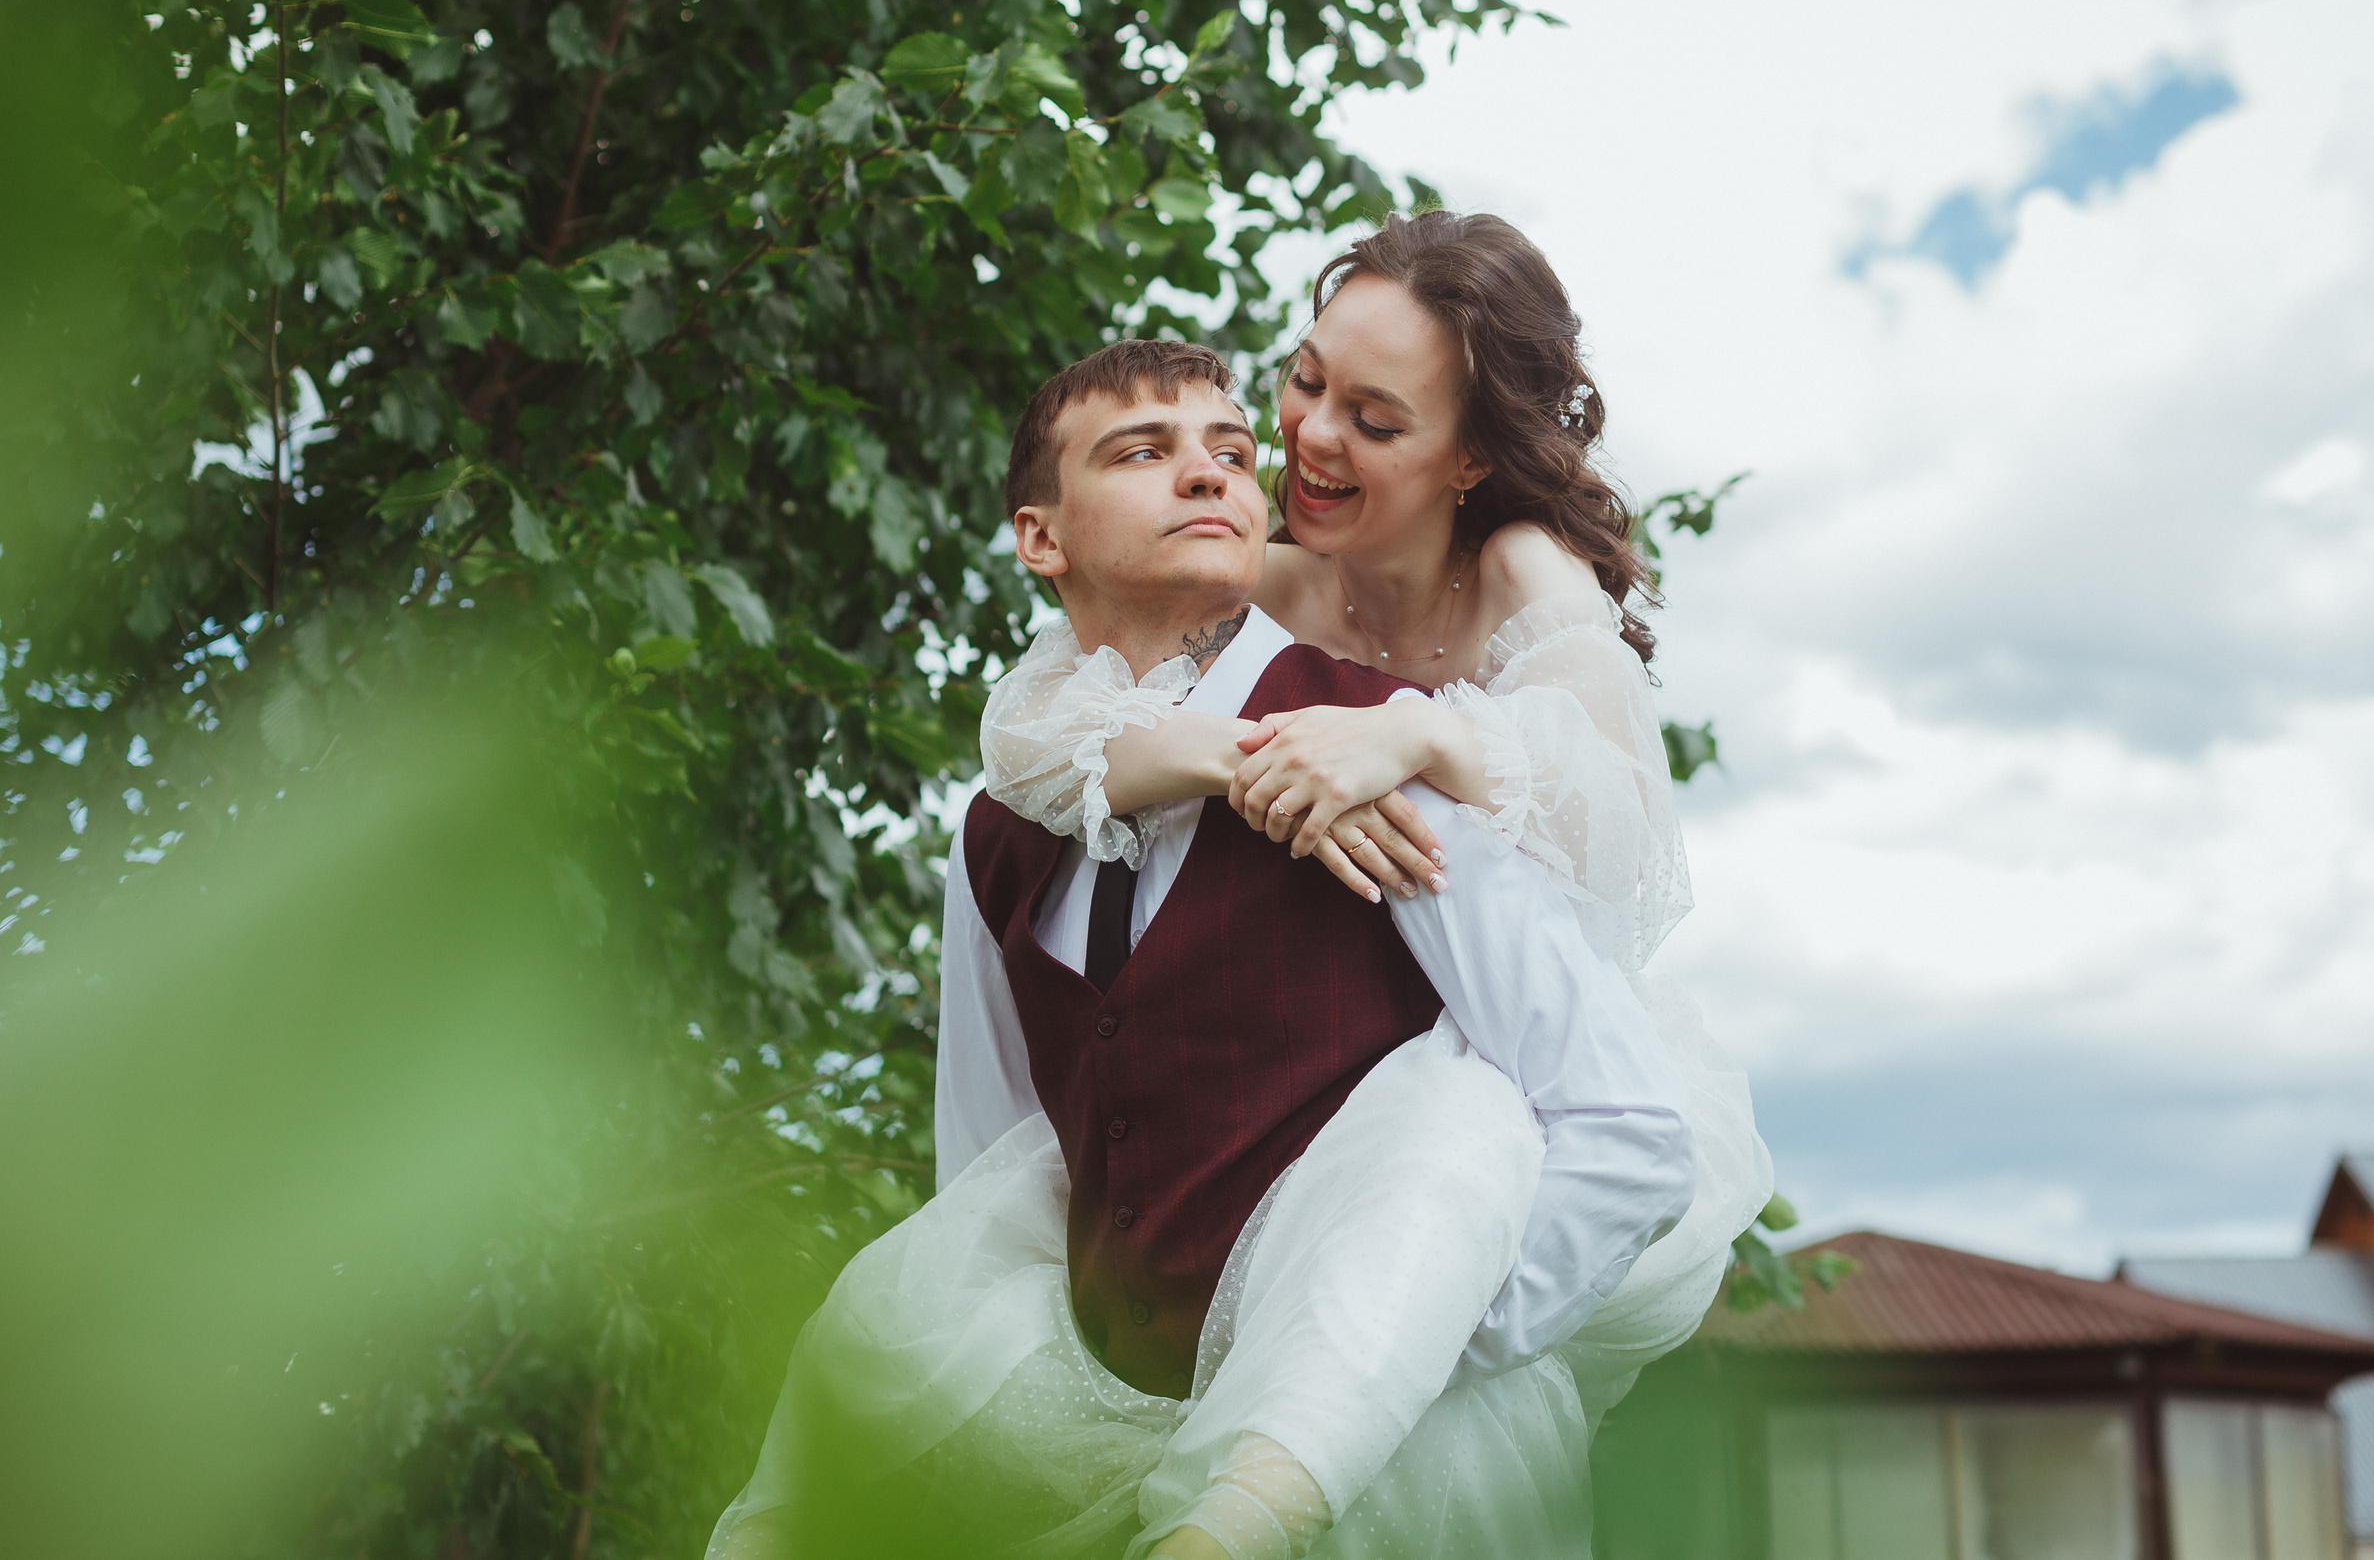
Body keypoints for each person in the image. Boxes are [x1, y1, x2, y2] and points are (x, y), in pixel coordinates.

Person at [704, 339, 1767, 1560]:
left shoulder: (1382, 747)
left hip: (1396, 1496)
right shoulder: (1002, 827)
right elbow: (994, 1169)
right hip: (1080, 1457)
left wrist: (1393, 1349)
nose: (1207, 475)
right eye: (1143, 452)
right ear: (1038, 539)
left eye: (1230, 452)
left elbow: (1624, 1128)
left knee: (1449, 1117)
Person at [977, 211, 1770, 1441]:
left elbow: (1615, 840)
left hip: (1510, 1049)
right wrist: (1232, 761)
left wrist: (1424, 734)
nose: (1309, 437)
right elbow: (1027, 731)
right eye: (1304, 381)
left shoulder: (1521, 577)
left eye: (1376, 420)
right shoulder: (1266, 583)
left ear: (1467, 459)